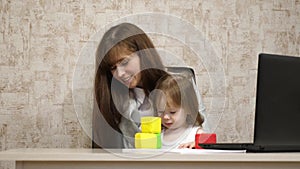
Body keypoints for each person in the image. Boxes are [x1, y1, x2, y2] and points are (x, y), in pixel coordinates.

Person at [93, 22, 207, 148]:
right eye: (113, 68)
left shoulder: (180, 87)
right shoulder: (117, 101)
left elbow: (205, 134)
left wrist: (197, 145)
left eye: (124, 62)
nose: (119, 74)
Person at [152, 74, 204, 149]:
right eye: (160, 111)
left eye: (172, 112)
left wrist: (198, 145)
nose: (165, 117)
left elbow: (211, 152)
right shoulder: (157, 135)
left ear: (188, 108)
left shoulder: (196, 134)